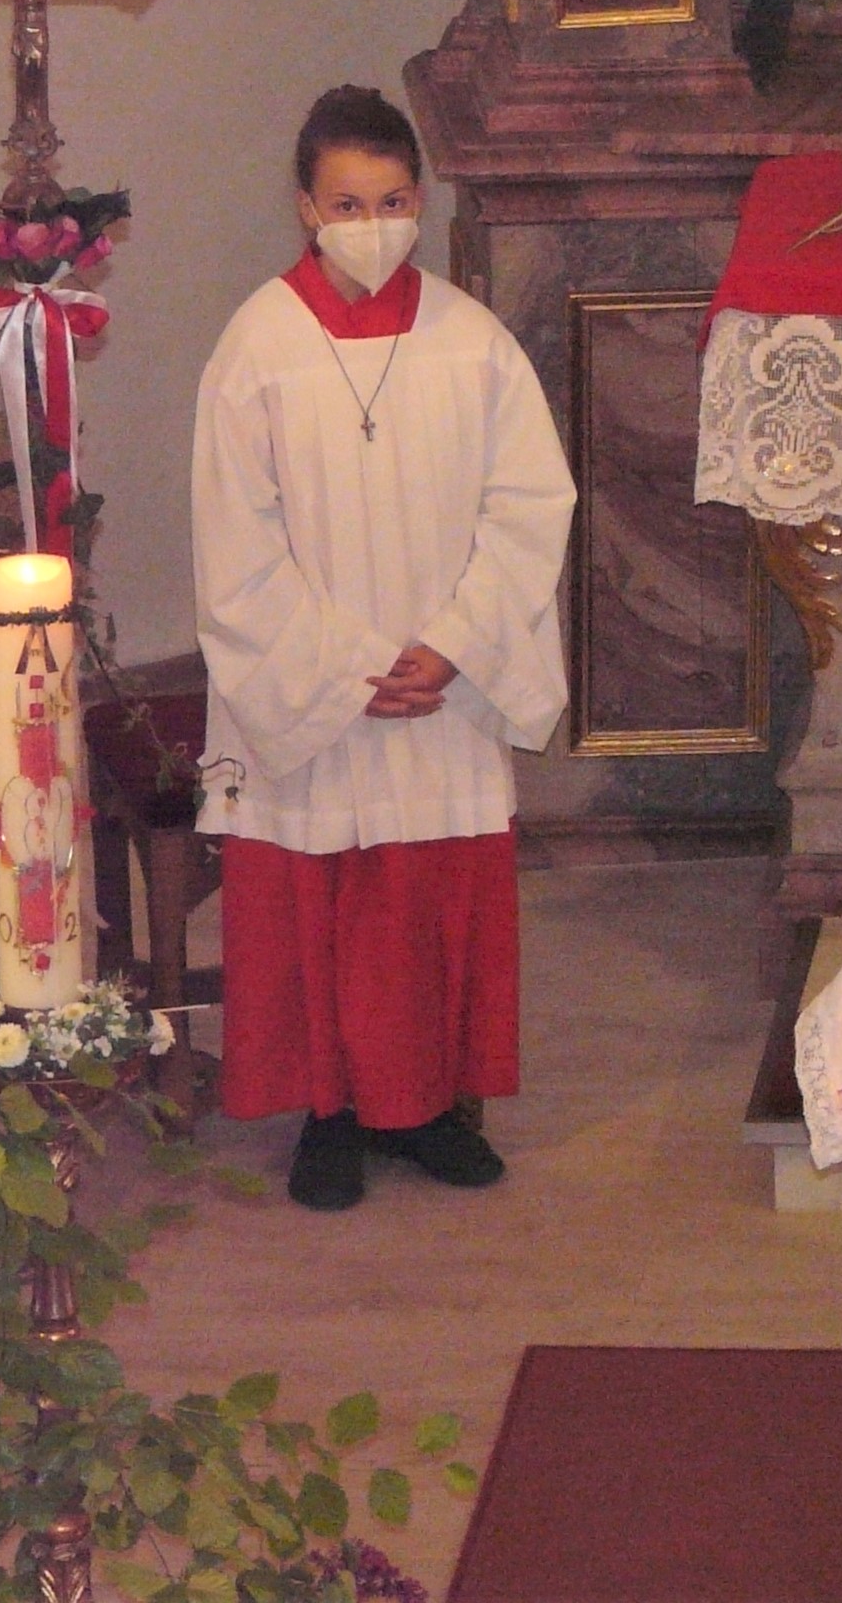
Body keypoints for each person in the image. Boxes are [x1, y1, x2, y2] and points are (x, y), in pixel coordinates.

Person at [193, 86, 576, 1212]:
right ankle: (330, 1110)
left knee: (427, 900)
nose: (373, 221)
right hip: (322, 688)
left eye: (395, 200)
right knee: (324, 894)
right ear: (306, 205)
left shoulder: (474, 343)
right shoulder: (257, 348)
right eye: (348, 202)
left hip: (440, 687)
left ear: (424, 198)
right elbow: (235, 542)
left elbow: (528, 509)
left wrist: (451, 647)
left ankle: (434, 1107)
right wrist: (353, 665)